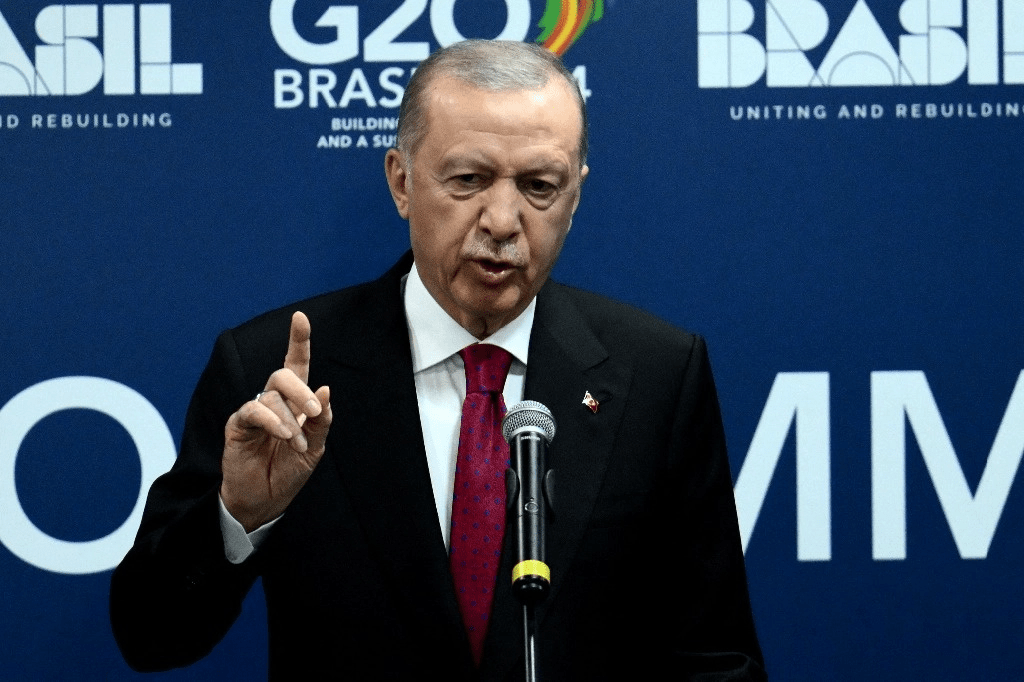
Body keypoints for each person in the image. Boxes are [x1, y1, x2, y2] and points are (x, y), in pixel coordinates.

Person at [110, 39, 767, 680]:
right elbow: (150, 635)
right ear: (402, 182)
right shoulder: (276, 371)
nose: (502, 220)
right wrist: (240, 514)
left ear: (575, 196)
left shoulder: (656, 373)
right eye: (469, 179)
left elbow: (717, 658)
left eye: (539, 185)